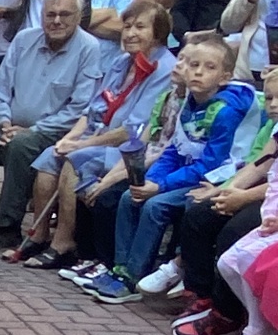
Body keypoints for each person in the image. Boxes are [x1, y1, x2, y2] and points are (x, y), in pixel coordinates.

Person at [89, 35, 253, 303]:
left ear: (224, 77)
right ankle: (119, 268)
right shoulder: (189, 103)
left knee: (155, 206)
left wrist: (161, 186)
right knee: (130, 196)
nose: (198, 72)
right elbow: (175, 150)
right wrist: (150, 181)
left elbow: (210, 164)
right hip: (185, 173)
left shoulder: (225, 112)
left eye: (209, 67)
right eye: (194, 65)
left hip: (211, 179)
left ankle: (133, 277)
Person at [13, 0, 176, 269]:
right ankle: (38, 235)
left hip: (131, 150)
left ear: (158, 34)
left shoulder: (165, 70)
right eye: (127, 26)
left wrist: (82, 145)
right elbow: (91, 111)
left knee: (75, 160)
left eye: (140, 27)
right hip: (99, 139)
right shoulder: (122, 62)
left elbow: (133, 131)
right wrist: (70, 139)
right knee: (49, 158)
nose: (130, 33)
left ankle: (64, 244)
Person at [0, 0, 101, 246]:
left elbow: (80, 108)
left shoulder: (89, 48)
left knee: (21, 146)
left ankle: (7, 228)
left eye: (64, 14)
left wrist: (33, 129)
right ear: (42, 15)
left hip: (55, 133)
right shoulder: (24, 39)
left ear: (78, 16)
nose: (56, 20)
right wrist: (4, 122)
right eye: (50, 14)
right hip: (10, 126)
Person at [158, 66, 278, 335]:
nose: (273, 105)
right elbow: (259, 165)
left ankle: (229, 315)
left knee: (233, 233)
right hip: (263, 193)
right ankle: (202, 295)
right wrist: (225, 191)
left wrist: (242, 197)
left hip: (269, 201)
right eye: (270, 98)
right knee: (199, 214)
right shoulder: (276, 128)